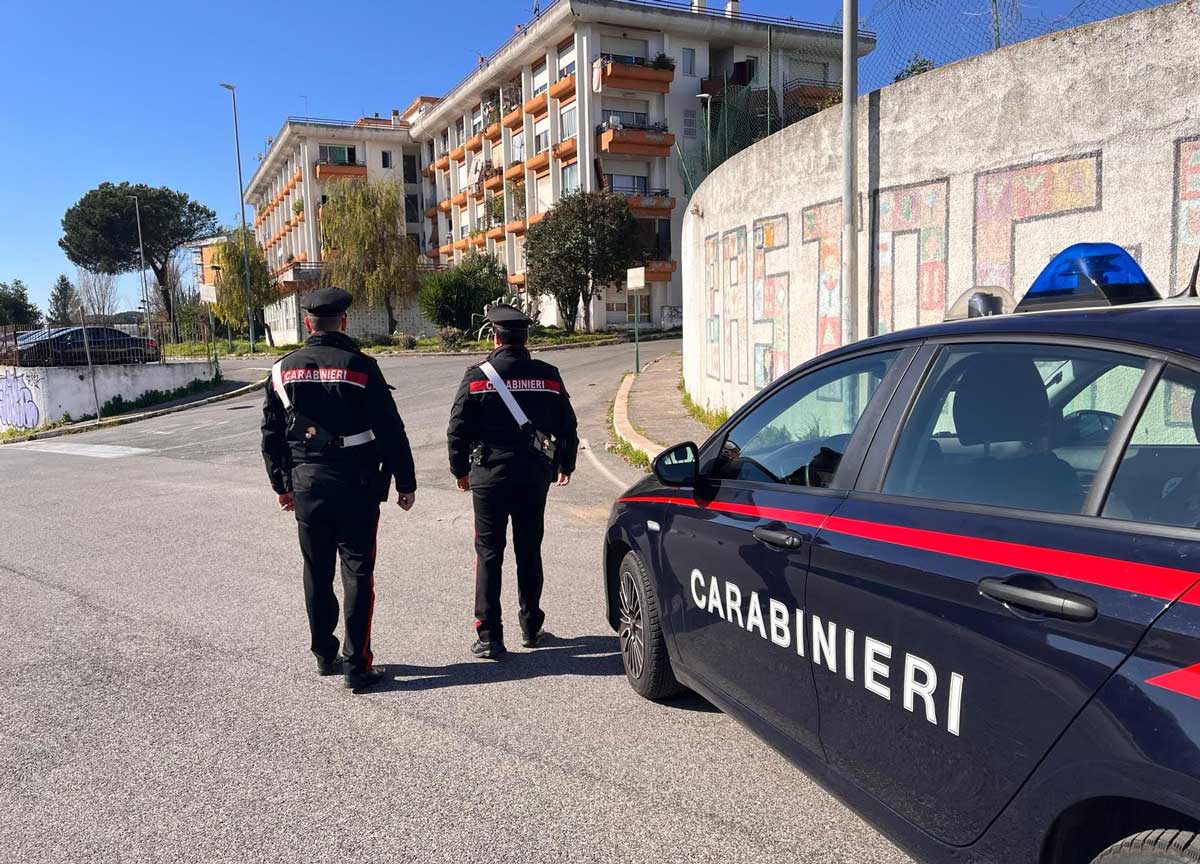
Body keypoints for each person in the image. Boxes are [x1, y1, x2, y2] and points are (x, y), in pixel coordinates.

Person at [261, 287, 417, 691]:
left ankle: (323, 654)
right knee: (358, 571)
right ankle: (356, 664)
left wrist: (281, 483)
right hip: (356, 483)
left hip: (307, 484)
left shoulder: (281, 370)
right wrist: (405, 481)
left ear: (308, 324)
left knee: (316, 571)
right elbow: (390, 427)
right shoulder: (362, 367)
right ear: (343, 322)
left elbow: (271, 434)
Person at [446, 305, 579, 659]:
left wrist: (459, 469)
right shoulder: (548, 375)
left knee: (489, 553)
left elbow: (457, 427)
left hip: (489, 475)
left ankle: (489, 636)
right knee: (528, 550)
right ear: (526, 338)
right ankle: (531, 626)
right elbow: (567, 425)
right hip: (534, 474)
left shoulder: (477, 376)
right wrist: (566, 463)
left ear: (495, 337)